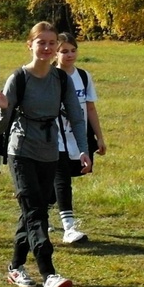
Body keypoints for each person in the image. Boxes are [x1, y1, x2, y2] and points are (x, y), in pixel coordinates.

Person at [0, 21, 88, 287]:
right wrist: (3, 108)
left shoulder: (61, 79)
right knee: (35, 212)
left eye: (51, 43)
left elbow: (77, 117)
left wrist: (83, 149)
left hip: (49, 152)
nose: (46, 48)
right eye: (40, 42)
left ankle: (15, 267)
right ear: (29, 45)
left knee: (34, 209)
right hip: (21, 152)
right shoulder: (18, 77)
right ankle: (49, 274)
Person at [52, 34, 106, 244]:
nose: (69, 55)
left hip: (78, 137)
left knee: (59, 179)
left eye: (72, 50)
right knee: (62, 179)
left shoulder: (83, 76)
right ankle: (69, 228)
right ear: (55, 53)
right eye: (64, 51)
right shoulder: (51, 76)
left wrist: (99, 137)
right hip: (54, 137)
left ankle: (45, 209)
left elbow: (90, 107)